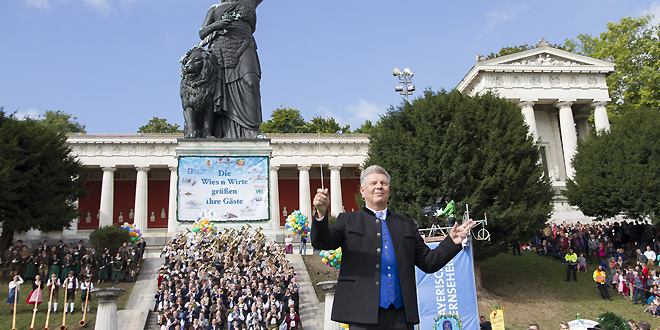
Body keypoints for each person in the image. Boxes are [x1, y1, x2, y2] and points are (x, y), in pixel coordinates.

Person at [312, 165, 475, 329]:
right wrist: (321, 214)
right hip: (361, 313)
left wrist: (452, 242)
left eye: (383, 183)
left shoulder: (406, 225)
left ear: (388, 189)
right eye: (373, 183)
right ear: (362, 191)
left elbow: (428, 262)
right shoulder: (348, 220)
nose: (379, 186)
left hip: (401, 316)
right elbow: (322, 242)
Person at [198, 0, 264, 139]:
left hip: (244, 43)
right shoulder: (215, 9)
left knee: (251, 81)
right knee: (219, 90)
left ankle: (252, 130)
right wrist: (217, 25)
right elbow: (202, 32)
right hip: (220, 48)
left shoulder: (249, 2)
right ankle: (221, 131)